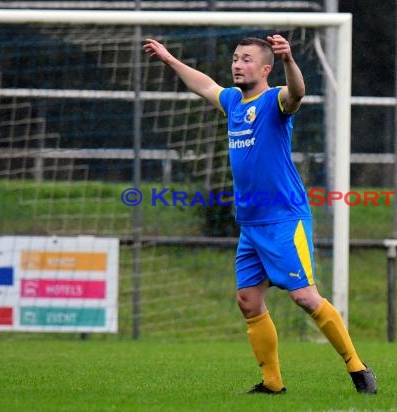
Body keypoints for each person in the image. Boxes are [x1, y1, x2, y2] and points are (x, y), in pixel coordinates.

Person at [144, 34, 377, 395]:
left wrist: (289, 60)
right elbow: (204, 84)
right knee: (248, 300)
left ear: (266, 68)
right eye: (236, 58)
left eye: (246, 59)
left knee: (304, 297)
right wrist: (168, 58)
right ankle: (272, 383)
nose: (238, 64)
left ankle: (358, 368)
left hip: (285, 219)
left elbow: (296, 93)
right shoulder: (234, 101)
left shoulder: (274, 101)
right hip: (250, 225)